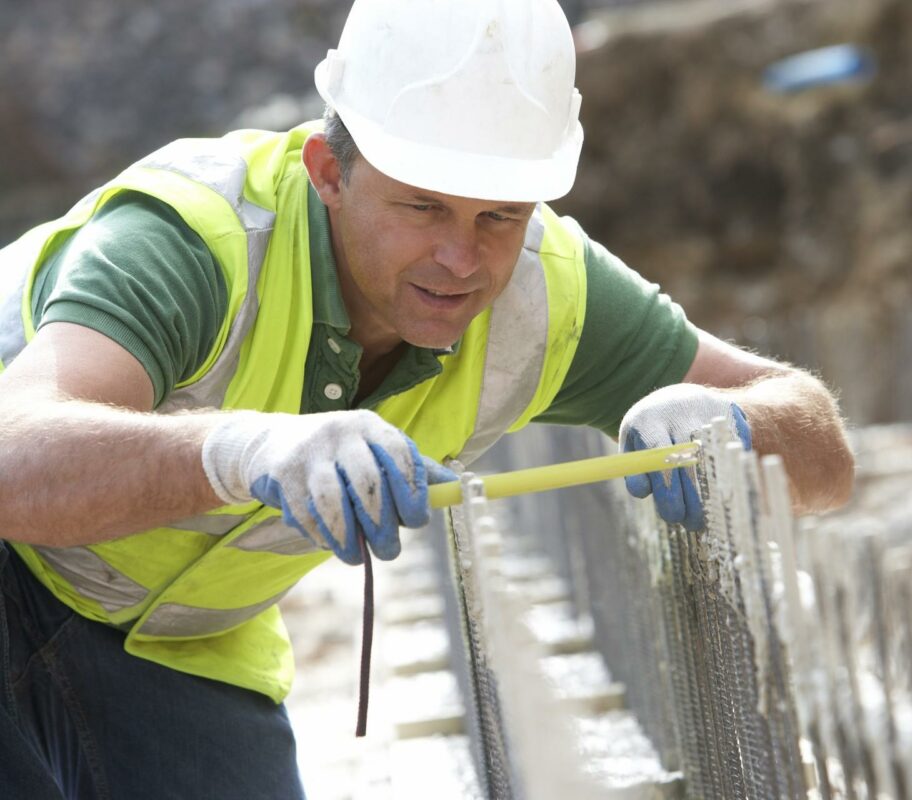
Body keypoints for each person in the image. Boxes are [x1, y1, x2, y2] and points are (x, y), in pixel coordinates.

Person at [0, 0, 854, 796]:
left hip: (177, 640)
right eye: (422, 206)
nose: (463, 259)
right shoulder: (196, 242)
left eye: (500, 216)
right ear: (328, 169)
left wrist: (739, 425)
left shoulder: (548, 295)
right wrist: (240, 450)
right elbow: (13, 465)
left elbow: (822, 450)